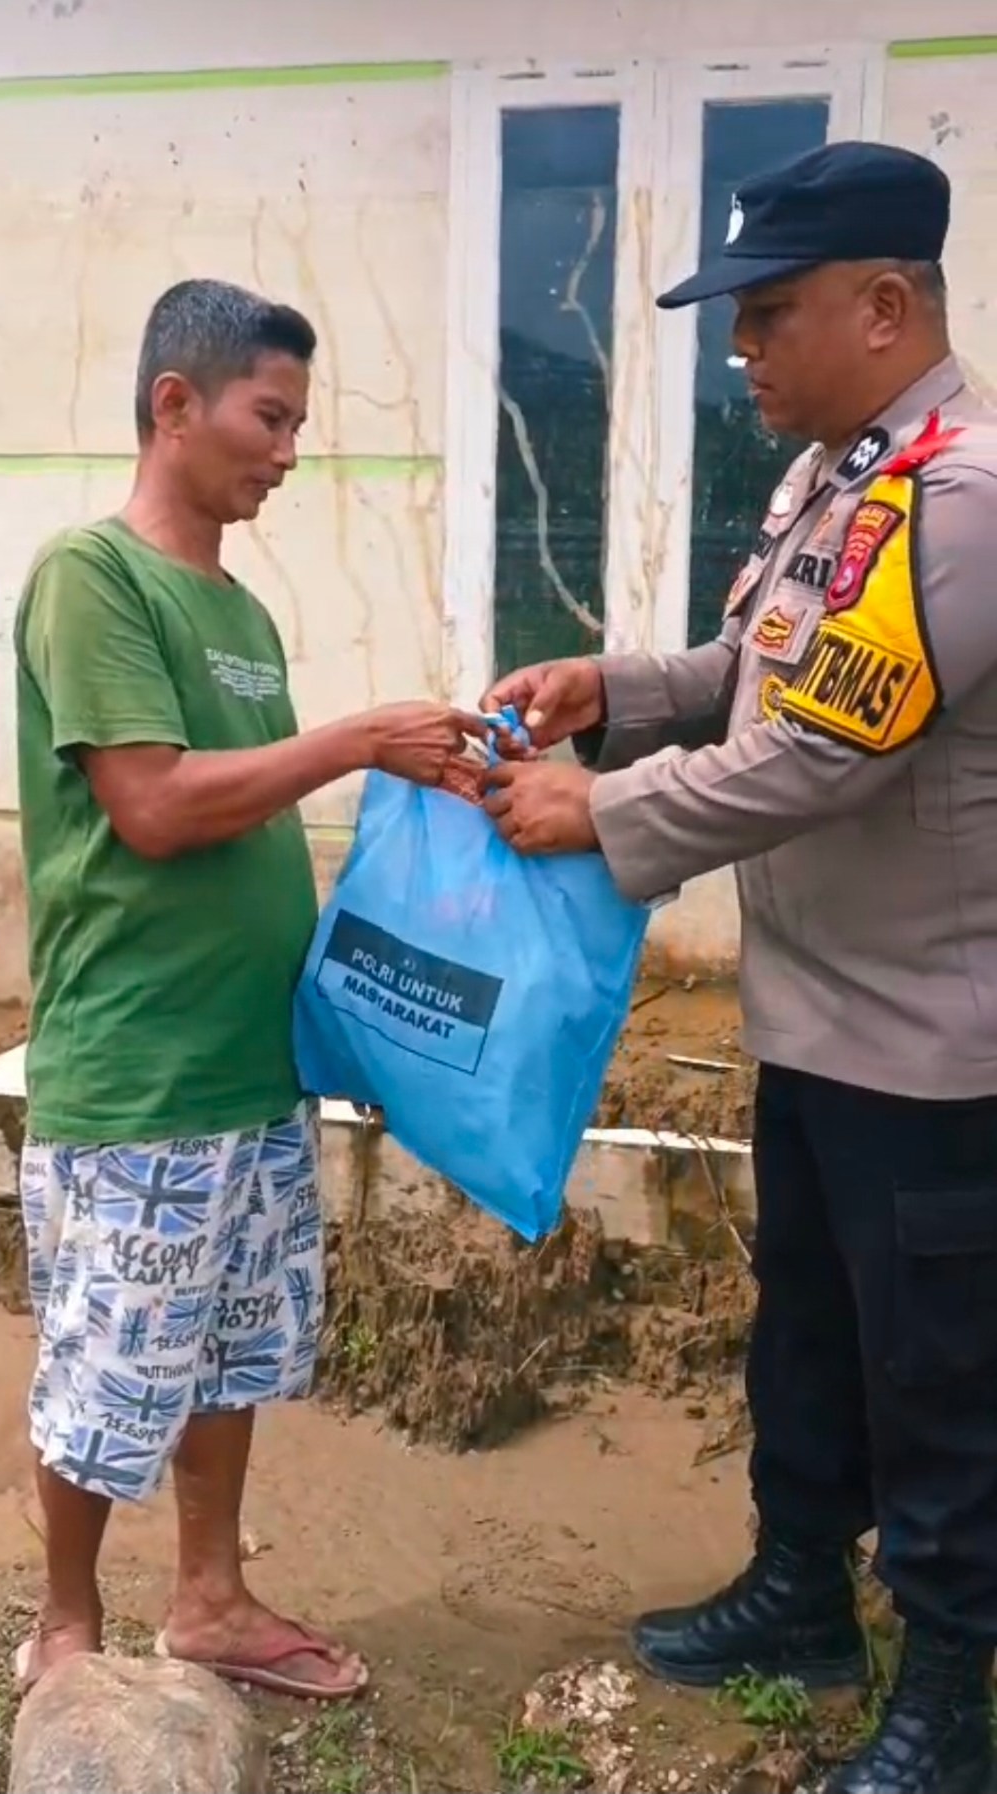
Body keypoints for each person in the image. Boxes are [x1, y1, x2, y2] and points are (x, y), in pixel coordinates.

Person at [480, 142, 997, 1794]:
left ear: (886, 302)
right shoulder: (840, 480)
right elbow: (747, 675)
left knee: (942, 1381)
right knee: (813, 1339)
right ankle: (799, 1598)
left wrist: (597, 810)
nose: (742, 348)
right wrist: (611, 691)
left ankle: (950, 1696)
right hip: (821, 1018)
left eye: (769, 314)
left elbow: (815, 764)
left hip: (935, 1050)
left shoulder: (964, 501)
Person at [14, 277, 480, 1699]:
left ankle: (210, 1598)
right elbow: (152, 804)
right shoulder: (90, 578)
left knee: (226, 1349)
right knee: (108, 1363)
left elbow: (252, 810)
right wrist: (353, 739)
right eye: (268, 416)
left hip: (247, 1067)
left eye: (296, 422)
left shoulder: (245, 616)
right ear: (175, 405)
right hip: (138, 1070)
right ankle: (67, 1618)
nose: (287, 450)